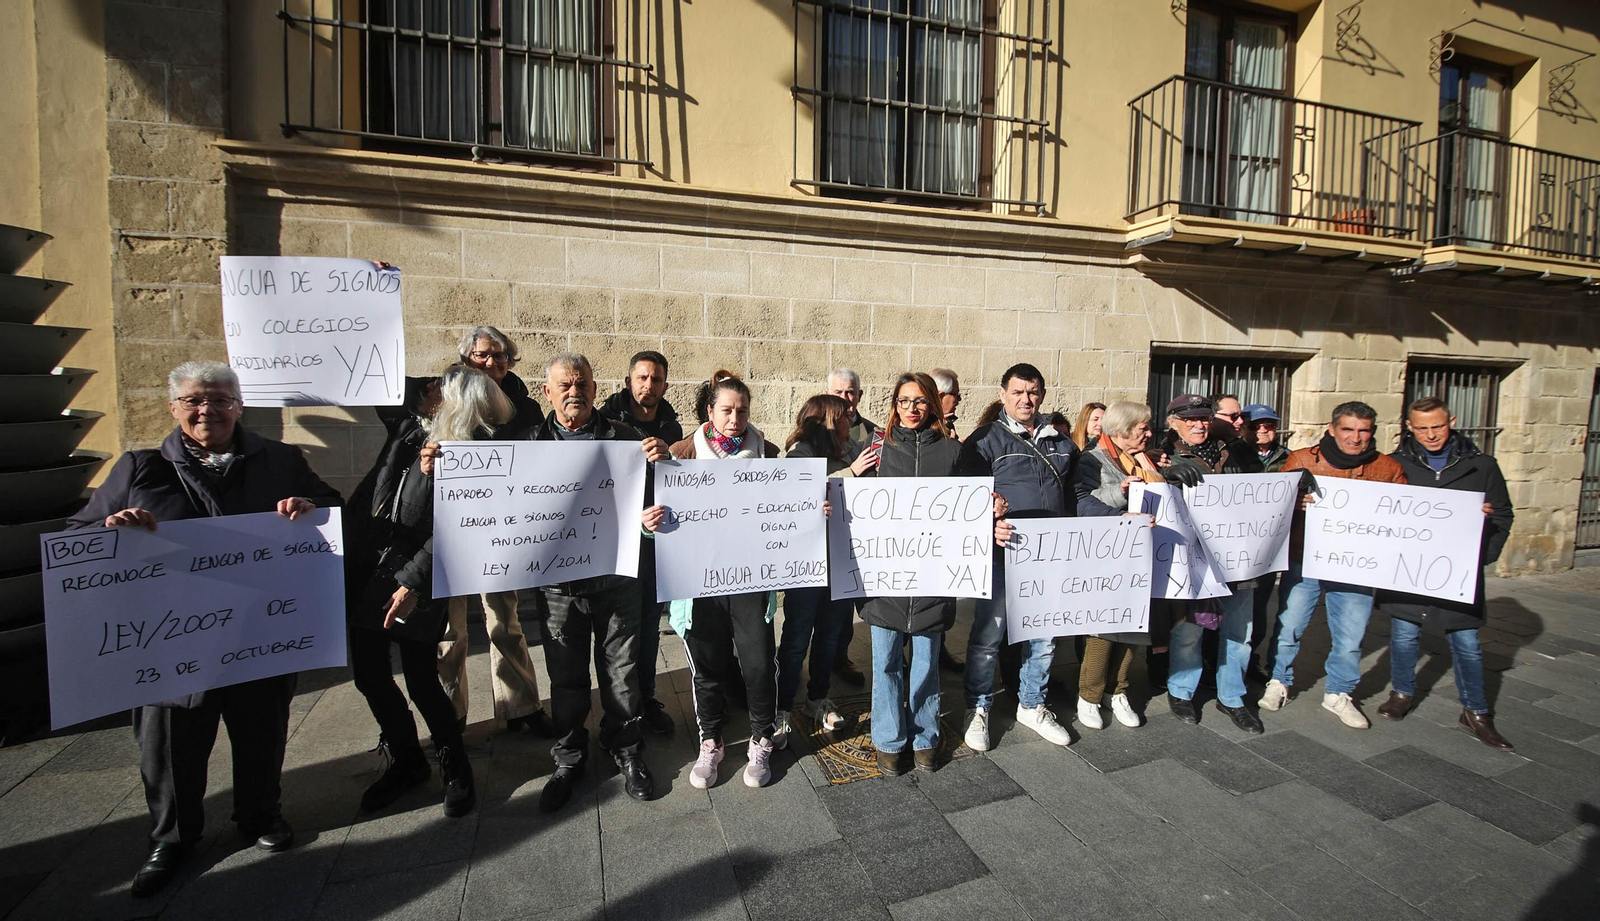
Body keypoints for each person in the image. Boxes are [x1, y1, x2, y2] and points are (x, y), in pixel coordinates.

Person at [66, 361, 340, 897]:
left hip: (258, 634)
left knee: (262, 728)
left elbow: (333, 508)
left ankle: (260, 815)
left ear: (238, 405)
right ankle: (171, 837)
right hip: (172, 642)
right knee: (169, 745)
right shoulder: (140, 468)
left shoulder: (280, 460)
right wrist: (109, 529)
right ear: (173, 407)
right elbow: (77, 539)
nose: (206, 410)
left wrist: (310, 507)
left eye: (218, 399)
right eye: (193, 400)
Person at [347, 364, 496, 828]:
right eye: (428, 386)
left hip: (418, 580)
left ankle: (454, 764)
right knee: (370, 675)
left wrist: (414, 583)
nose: (428, 390)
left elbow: (454, 528)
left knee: (421, 678)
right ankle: (407, 758)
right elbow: (388, 393)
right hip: (370, 573)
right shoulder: (411, 431)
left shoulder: (471, 448)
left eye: (439, 387)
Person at [525, 353, 671, 812]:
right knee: (566, 681)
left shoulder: (627, 440)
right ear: (546, 392)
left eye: (582, 384)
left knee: (622, 676)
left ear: (595, 387)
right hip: (557, 591)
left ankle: (626, 748)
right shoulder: (526, 446)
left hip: (616, 582)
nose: (575, 392)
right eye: (564, 385)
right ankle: (569, 759)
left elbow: (656, 505)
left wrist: (662, 471)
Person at [655, 374, 786, 789]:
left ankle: (762, 737)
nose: (735, 419)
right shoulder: (679, 454)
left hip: (750, 582)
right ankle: (710, 741)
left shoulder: (768, 453)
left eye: (742, 410)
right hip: (700, 587)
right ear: (709, 412)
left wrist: (806, 513)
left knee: (760, 665)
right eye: (726, 410)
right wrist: (647, 526)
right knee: (707, 670)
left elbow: (785, 510)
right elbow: (654, 520)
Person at [1377, 397, 1516, 751]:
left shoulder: (1482, 465)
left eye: (1437, 426)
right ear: (1409, 427)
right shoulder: (1395, 464)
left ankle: (1475, 711)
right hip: (1407, 570)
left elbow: (1503, 515)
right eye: (1421, 428)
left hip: (1458, 571)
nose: (1430, 435)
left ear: (1451, 421)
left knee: (1467, 644)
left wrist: (1479, 554)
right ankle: (1402, 692)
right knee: (1404, 635)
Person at [1259, 401, 1407, 729]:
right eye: (1348, 430)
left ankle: (1339, 692)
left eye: (1363, 431)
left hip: (1356, 564)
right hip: (1305, 557)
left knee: (1351, 633)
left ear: (1373, 432)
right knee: (1290, 624)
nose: (1355, 438)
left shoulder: (1388, 468)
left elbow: (1403, 515)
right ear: (1332, 429)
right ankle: (1279, 680)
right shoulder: (1301, 460)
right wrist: (1293, 501)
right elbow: (1275, 505)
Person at [437, 326, 550, 739]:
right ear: (465, 358)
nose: (493, 362)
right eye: (484, 355)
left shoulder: (524, 405)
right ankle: (449, 716)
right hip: (451, 532)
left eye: (501, 356)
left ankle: (520, 706)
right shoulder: (443, 396)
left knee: (505, 620)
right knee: (450, 632)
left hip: (501, 530)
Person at [958, 363, 1078, 750]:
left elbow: (1079, 495)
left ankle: (1032, 704)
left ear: (1042, 395)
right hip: (1002, 554)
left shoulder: (1060, 442)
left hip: (1049, 557)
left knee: (1043, 638)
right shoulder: (984, 441)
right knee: (989, 635)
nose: (1026, 399)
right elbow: (962, 502)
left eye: (1033, 392)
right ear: (1002, 394)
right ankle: (977, 707)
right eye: (1018, 392)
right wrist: (986, 525)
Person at [856, 373, 968, 773]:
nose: (911, 409)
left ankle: (925, 735)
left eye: (919, 401)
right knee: (885, 659)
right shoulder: (877, 451)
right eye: (903, 401)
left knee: (925, 661)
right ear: (894, 405)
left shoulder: (954, 453)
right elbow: (853, 503)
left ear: (933, 405)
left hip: (933, 574)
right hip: (885, 576)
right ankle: (888, 736)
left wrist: (993, 505)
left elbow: (971, 504)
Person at [1071, 401, 1183, 732]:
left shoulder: (1143, 458)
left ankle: (1117, 690)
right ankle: (1089, 696)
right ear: (1121, 432)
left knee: (1134, 624)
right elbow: (1082, 500)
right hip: (1106, 555)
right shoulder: (1092, 457)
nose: (1149, 433)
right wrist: (1121, 493)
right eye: (1143, 429)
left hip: (1141, 555)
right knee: (1103, 629)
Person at [775, 395, 880, 744]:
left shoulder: (849, 452)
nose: (851, 422)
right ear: (828, 422)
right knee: (796, 637)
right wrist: (852, 473)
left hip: (841, 560)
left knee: (831, 634)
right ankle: (782, 705)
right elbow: (797, 499)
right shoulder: (801, 454)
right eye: (845, 417)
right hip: (808, 566)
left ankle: (817, 698)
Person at [599, 350, 687, 735]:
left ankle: (647, 698)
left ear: (665, 385)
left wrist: (670, 459)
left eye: (656, 380)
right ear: (628, 381)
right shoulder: (605, 422)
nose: (648, 385)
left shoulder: (672, 427)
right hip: (614, 541)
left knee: (650, 626)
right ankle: (618, 708)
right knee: (617, 630)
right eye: (642, 378)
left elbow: (683, 485)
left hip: (655, 544)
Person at [826, 367, 877, 687]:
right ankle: (836, 656)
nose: (846, 399)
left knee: (873, 599)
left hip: (869, 530)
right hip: (834, 531)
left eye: (851, 392)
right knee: (839, 606)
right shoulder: (817, 433)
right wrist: (852, 471)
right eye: (839, 392)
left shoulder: (874, 433)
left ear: (859, 395)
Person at [1242, 403, 1289, 675]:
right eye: (1255, 426)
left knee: (1260, 606)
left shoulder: (1289, 458)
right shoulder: (1232, 456)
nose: (1262, 430)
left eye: (1268, 425)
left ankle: (1251, 661)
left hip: (1269, 546)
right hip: (1235, 542)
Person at [930, 367, 963, 439]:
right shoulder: (922, 425)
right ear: (940, 396)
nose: (959, 400)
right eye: (955, 395)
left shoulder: (947, 423)